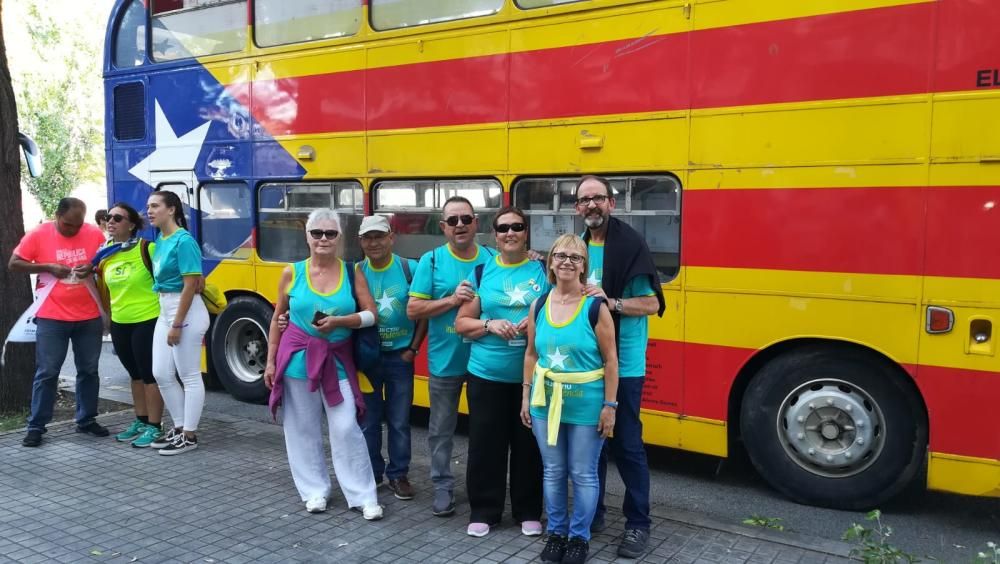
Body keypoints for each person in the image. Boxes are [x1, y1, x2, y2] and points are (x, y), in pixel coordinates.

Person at [264, 209, 383, 520]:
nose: (323, 239)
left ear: (339, 238)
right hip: (296, 360)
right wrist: (270, 361)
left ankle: (362, 495)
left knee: (346, 427)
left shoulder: (352, 271)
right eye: (317, 233)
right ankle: (314, 491)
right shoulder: (292, 273)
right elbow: (278, 319)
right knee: (301, 429)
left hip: (337, 360)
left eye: (330, 233)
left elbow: (372, 314)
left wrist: (340, 321)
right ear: (307, 236)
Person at [575, 175, 665, 558]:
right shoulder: (575, 246)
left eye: (597, 198)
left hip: (623, 365)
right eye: (583, 200)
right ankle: (593, 513)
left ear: (612, 203)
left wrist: (610, 303)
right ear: (577, 208)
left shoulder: (630, 245)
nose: (591, 206)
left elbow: (652, 305)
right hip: (584, 364)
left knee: (627, 445)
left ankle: (638, 523)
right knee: (591, 447)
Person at [521, 234, 619, 564]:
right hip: (543, 401)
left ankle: (579, 538)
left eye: (575, 258)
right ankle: (557, 534)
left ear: (583, 267)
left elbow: (611, 361)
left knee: (584, 473)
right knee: (552, 471)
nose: (566, 261)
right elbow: (532, 355)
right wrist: (525, 395)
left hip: (587, 403)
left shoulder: (595, 307)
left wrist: (610, 405)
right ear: (549, 262)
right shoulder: (539, 304)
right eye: (560, 255)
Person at [454, 206, 546, 538]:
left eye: (517, 227)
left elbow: (564, 307)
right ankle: (484, 509)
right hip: (486, 375)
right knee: (485, 445)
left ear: (526, 233)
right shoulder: (482, 273)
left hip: (532, 378)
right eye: (503, 228)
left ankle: (528, 511)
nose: (510, 233)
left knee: (529, 446)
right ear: (495, 235)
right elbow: (461, 324)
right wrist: (489, 324)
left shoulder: (543, 270)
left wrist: (536, 322)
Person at [406, 196, 497, 517]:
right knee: (441, 430)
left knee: (484, 431)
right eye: (453, 221)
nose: (460, 225)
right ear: (443, 227)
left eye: (466, 219)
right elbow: (414, 308)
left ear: (477, 223)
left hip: (485, 363)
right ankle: (442, 486)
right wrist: (451, 299)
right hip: (445, 363)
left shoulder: (493, 258)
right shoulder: (431, 261)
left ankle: (480, 488)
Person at [10, 197, 108, 447]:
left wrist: (93, 268)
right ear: (56, 215)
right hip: (52, 316)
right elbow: (15, 264)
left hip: (88, 316)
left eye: (78, 225)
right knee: (48, 372)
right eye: (67, 225)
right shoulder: (39, 234)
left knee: (89, 370)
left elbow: (105, 263)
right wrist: (48, 267)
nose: (73, 230)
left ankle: (86, 419)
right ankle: (36, 426)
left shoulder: (94, 233)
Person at [356, 215, 427, 501]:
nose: (374, 243)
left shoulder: (410, 269)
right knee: (368, 420)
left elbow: (422, 313)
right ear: (361, 241)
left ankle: (398, 475)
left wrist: (413, 348)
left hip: (400, 358)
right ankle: (372, 473)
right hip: (368, 359)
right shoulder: (355, 272)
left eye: (379, 236)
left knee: (399, 420)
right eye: (368, 238)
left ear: (391, 238)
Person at [94, 203, 166, 448]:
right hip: (120, 322)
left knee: (149, 375)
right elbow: (101, 286)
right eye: (107, 217)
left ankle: (155, 426)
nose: (110, 222)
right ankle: (141, 420)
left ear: (132, 225)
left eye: (117, 218)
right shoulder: (106, 253)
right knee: (134, 375)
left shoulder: (149, 248)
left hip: (147, 319)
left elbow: (168, 280)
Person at [145, 190, 210, 455]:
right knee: (161, 372)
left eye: (155, 206)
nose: (149, 211)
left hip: (186, 314)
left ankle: (190, 435)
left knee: (189, 375)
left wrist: (177, 324)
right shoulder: (161, 238)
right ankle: (180, 426)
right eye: (148, 206)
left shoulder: (184, 241)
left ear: (171, 209)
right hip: (165, 309)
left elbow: (190, 285)